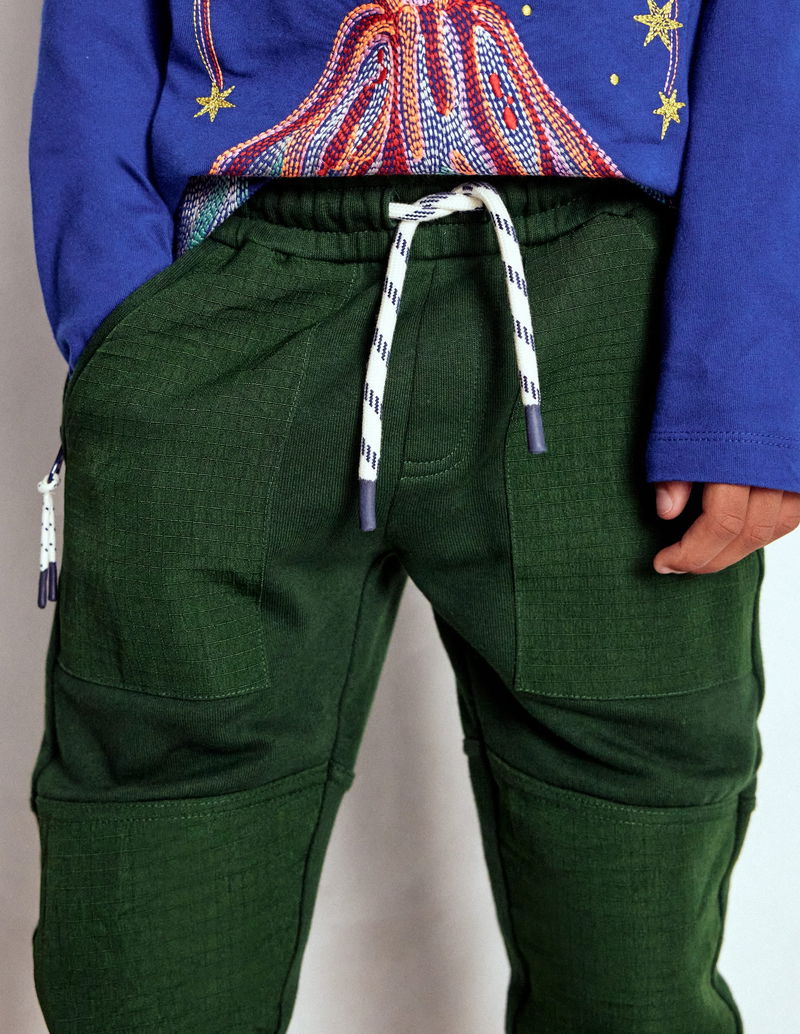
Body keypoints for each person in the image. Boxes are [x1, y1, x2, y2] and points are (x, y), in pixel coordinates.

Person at [26, 2, 799, 1032]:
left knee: (634, 940)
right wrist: (124, 326)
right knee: (153, 914)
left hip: (611, 322)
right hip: (234, 277)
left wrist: (747, 373)